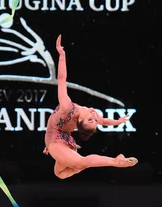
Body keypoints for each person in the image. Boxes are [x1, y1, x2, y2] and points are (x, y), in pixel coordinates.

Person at [43, 35, 138, 179]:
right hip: (60, 139)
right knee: (61, 173)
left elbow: (62, 79)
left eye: (91, 120)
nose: (94, 117)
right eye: (94, 120)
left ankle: (115, 161)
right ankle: (115, 161)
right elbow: (104, 121)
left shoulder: (68, 108)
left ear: (80, 119)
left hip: (55, 139)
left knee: (74, 166)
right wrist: (117, 122)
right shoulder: (80, 112)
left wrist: (62, 56)